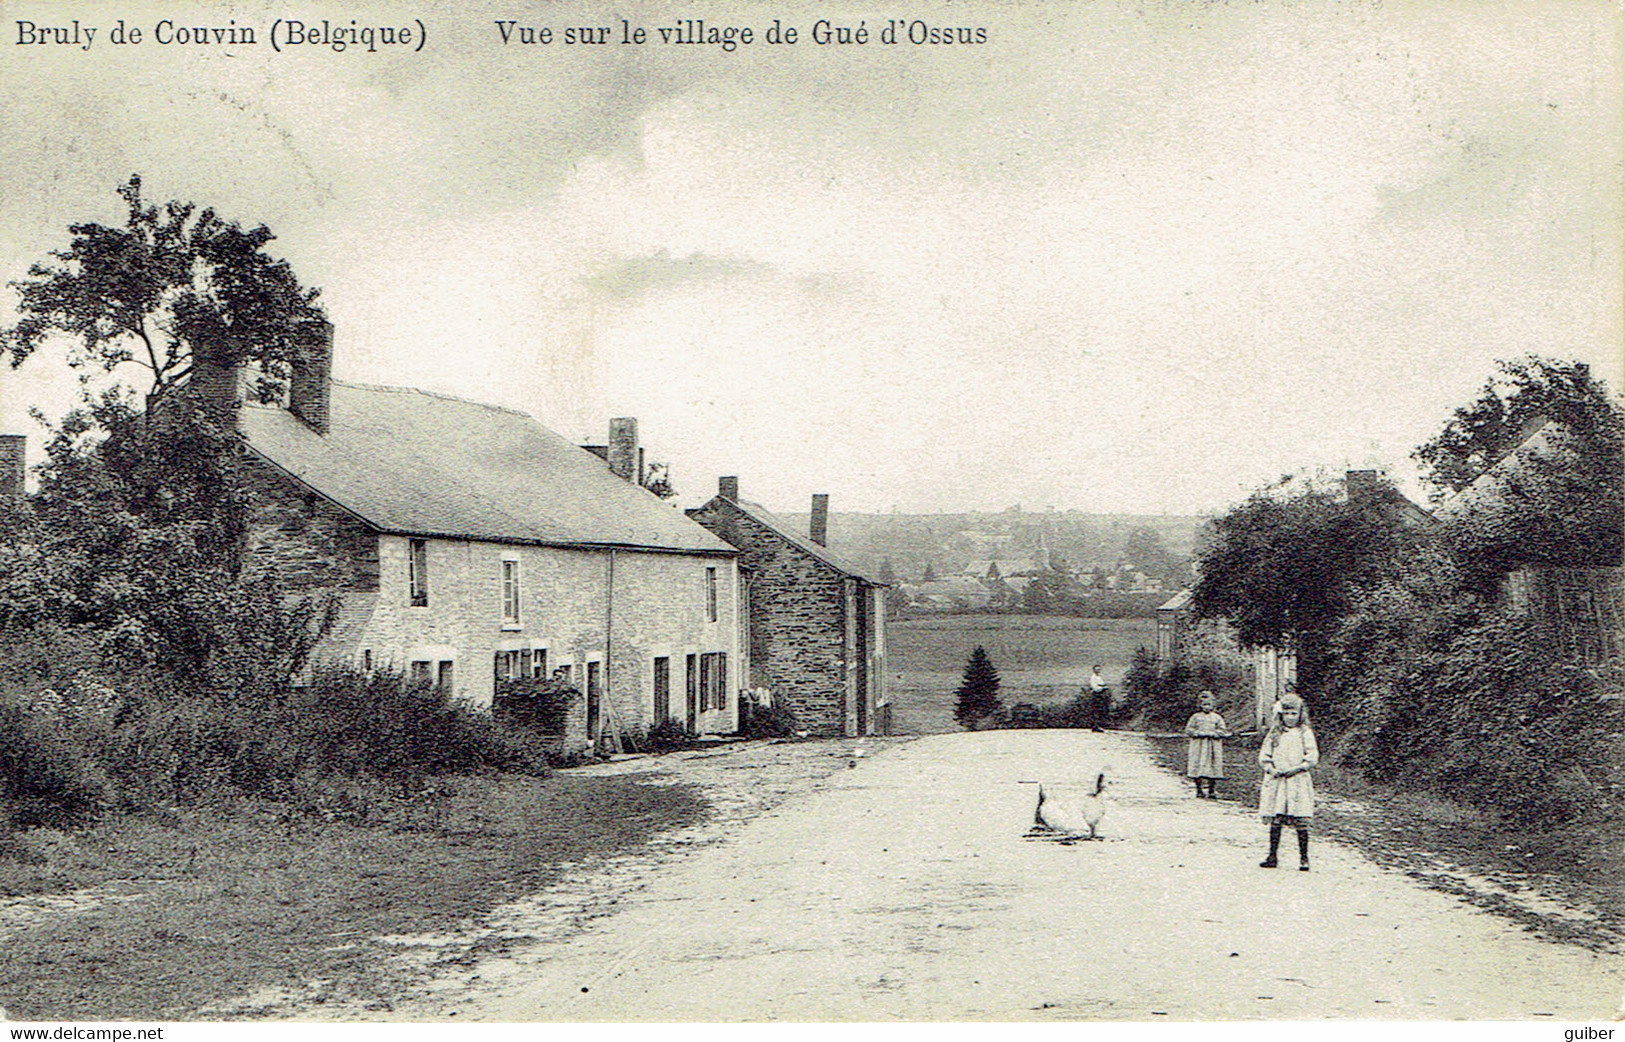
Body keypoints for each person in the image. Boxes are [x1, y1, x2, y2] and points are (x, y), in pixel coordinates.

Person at [1257, 693, 1318, 871]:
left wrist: (1299, 768)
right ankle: (1272, 855)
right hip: (1278, 780)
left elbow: (1312, 755)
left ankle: (1304, 858)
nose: (1290, 718)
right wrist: (1271, 769)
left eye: (1294, 714)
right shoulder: (1274, 733)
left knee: (1300, 818)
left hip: (1296, 779)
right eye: (1287, 713)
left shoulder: (1304, 732)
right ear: (1280, 714)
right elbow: (1264, 755)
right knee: (1277, 818)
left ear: (1300, 714)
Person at [1183, 690, 1231, 798]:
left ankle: (1211, 790)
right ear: (1200, 705)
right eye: (1204, 704)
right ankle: (1199, 789)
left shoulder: (1217, 717)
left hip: (1212, 745)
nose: (1206, 707)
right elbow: (1189, 730)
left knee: (1213, 765)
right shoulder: (1195, 717)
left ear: (1213, 705)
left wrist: (1216, 733)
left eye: (1209, 704)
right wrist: (1198, 733)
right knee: (1197, 764)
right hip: (1199, 744)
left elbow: (1222, 729)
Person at [1087, 664, 1109, 731]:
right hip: (1096, 695)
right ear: (1093, 670)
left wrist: (1103, 687)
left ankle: (1100, 725)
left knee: (1101, 710)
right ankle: (1095, 726)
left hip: (1101, 695)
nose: (1098, 671)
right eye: (1096, 669)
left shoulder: (1099, 677)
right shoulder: (1093, 678)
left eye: (1099, 669)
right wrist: (1102, 687)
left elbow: (1103, 685)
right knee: (1096, 710)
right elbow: (1095, 688)